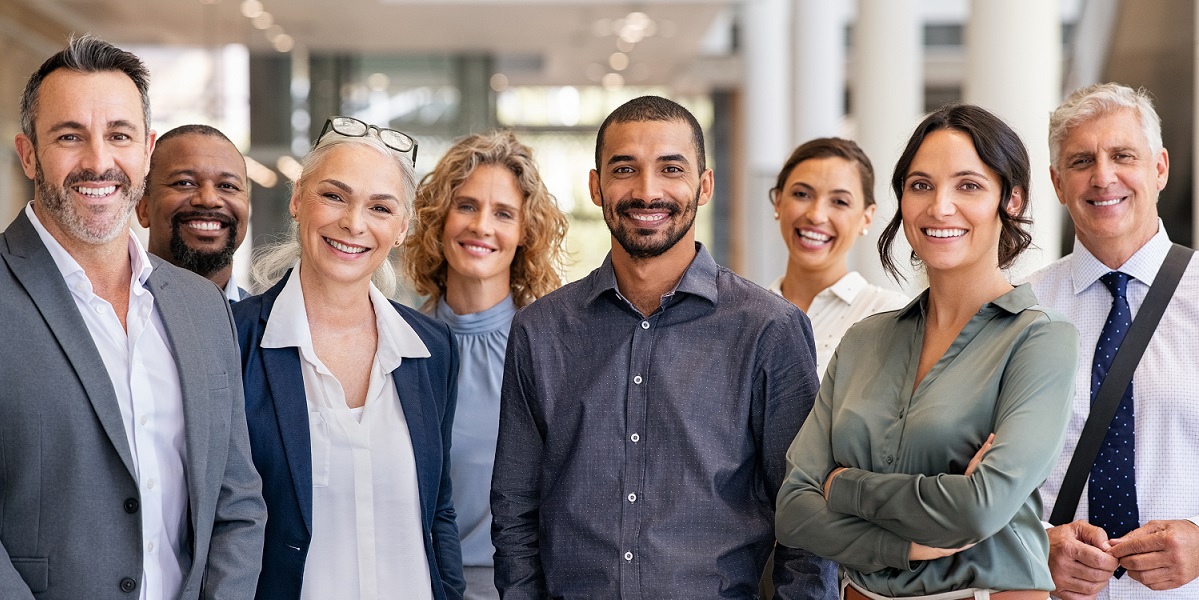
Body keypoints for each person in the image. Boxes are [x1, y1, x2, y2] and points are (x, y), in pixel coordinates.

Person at [491, 95, 836, 599]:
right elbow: (515, 509)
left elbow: (807, 521)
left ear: (704, 185)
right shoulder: (540, 331)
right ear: (596, 186)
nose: (647, 191)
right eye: (624, 169)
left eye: (670, 169)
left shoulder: (769, 330)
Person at [0, 35, 266, 600]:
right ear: (28, 154)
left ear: (145, 150)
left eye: (118, 135)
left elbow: (235, 500)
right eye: (70, 136)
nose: (99, 161)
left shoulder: (201, 306)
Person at [777, 104, 1079, 599]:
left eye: (968, 185)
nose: (940, 206)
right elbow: (792, 512)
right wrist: (908, 545)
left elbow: (979, 509)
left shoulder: (1040, 339)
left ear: (1012, 199)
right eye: (921, 185)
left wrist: (844, 487)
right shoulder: (864, 339)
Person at [234, 115, 464, 600]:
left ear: (402, 228)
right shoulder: (234, 340)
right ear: (298, 200)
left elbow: (438, 509)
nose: (354, 223)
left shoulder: (432, 349)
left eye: (380, 208)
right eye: (334, 196)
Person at [1023, 83, 1199, 598]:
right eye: (1081, 161)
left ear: (1160, 167)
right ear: (1057, 183)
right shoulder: (1017, 312)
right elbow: (979, 483)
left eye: (1123, 155)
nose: (1103, 177)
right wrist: (1035, 545)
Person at [404, 129, 568, 600]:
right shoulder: (396, 343)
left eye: (503, 214)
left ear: (525, 233)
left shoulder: (549, 349)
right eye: (467, 206)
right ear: (440, 218)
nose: (482, 226)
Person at [768, 137, 908, 379]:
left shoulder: (891, 316)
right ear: (779, 201)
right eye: (802, 194)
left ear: (866, 217)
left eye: (839, 202)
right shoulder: (745, 312)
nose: (816, 215)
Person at [138, 124, 251, 301]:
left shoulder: (270, 324)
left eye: (227, 186)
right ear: (142, 208)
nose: (208, 199)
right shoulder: (109, 318)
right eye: (184, 183)